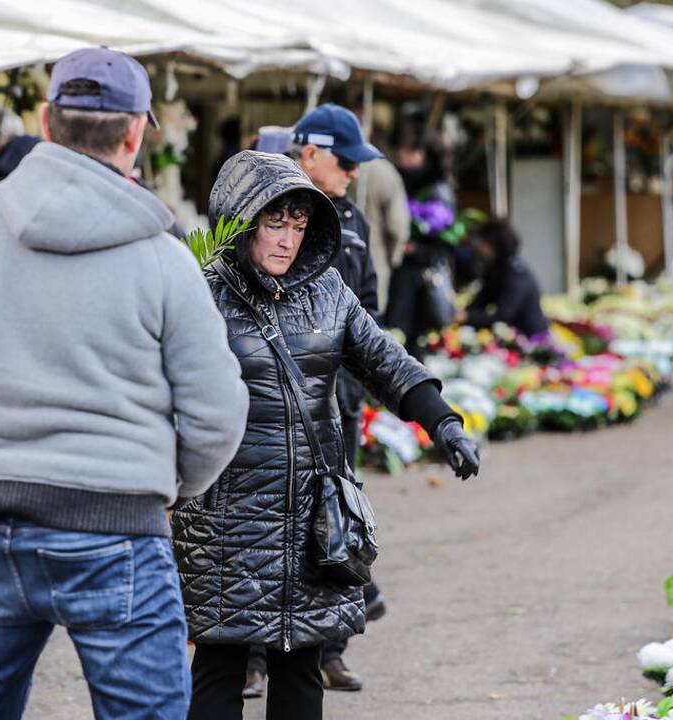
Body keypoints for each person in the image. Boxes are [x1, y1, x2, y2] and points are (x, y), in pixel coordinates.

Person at [0, 48, 249, 720]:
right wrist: (171, 489)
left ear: (43, 122)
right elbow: (216, 413)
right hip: (120, 524)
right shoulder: (163, 260)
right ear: (134, 134)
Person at [172, 149, 480, 720]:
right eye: (273, 223)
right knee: (219, 663)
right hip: (224, 513)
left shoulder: (330, 291)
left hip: (313, 514)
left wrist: (443, 420)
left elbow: (386, 360)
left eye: (298, 224)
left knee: (301, 663)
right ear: (240, 220)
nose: (287, 240)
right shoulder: (200, 293)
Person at [288, 103, 384, 692]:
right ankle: (250, 654)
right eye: (345, 161)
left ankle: (329, 648)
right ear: (312, 153)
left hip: (337, 404)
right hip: (276, 405)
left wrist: (356, 382)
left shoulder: (352, 221)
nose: (352, 172)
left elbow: (369, 306)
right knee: (265, 522)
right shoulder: (273, 215)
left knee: (336, 523)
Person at [455, 220, 549, 339]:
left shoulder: (517, 274)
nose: (480, 248)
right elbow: (482, 299)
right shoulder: (496, 269)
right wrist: (464, 313)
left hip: (531, 340)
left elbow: (503, 315)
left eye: (484, 243)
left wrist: (467, 317)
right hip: (509, 337)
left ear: (497, 245)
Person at [354, 157, 411, 310]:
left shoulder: (333, 163)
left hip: (336, 268)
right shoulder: (385, 172)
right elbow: (397, 227)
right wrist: (394, 259)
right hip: (375, 262)